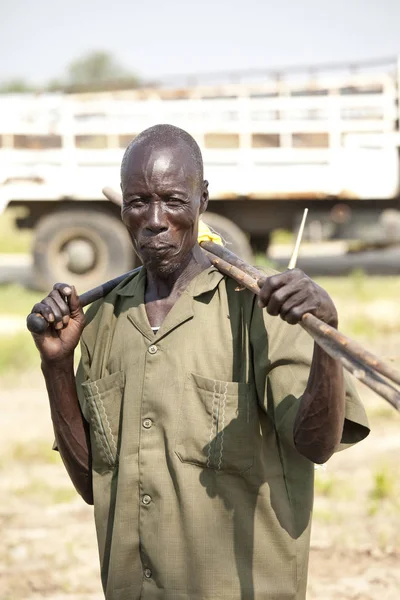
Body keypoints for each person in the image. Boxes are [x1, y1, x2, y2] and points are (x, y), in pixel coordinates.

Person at [29, 124, 369, 600]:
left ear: (202, 200)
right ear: (122, 208)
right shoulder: (103, 318)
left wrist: (325, 335)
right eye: (137, 202)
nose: (154, 220)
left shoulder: (264, 307)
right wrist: (57, 368)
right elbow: (93, 483)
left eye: (172, 200)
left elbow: (316, 446)